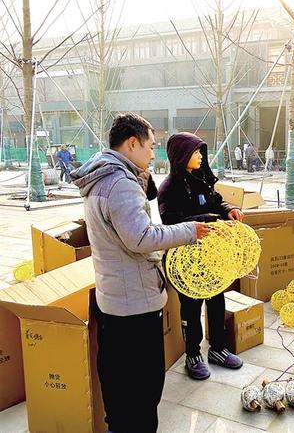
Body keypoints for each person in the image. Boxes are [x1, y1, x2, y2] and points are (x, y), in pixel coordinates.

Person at [70, 113, 210, 432]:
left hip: (114, 299)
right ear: (132, 143)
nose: (153, 153)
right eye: (151, 145)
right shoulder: (119, 183)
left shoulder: (105, 176)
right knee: (142, 394)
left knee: (118, 390)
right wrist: (190, 231)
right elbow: (141, 238)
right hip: (134, 307)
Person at [157, 132, 244, 381]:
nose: (200, 157)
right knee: (191, 308)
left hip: (210, 257)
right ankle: (193, 355)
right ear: (181, 155)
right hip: (185, 263)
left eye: (200, 152)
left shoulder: (201, 179)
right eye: (195, 153)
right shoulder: (168, 189)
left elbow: (216, 201)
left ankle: (217, 348)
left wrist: (228, 210)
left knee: (217, 301)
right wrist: (207, 220)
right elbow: (170, 223)